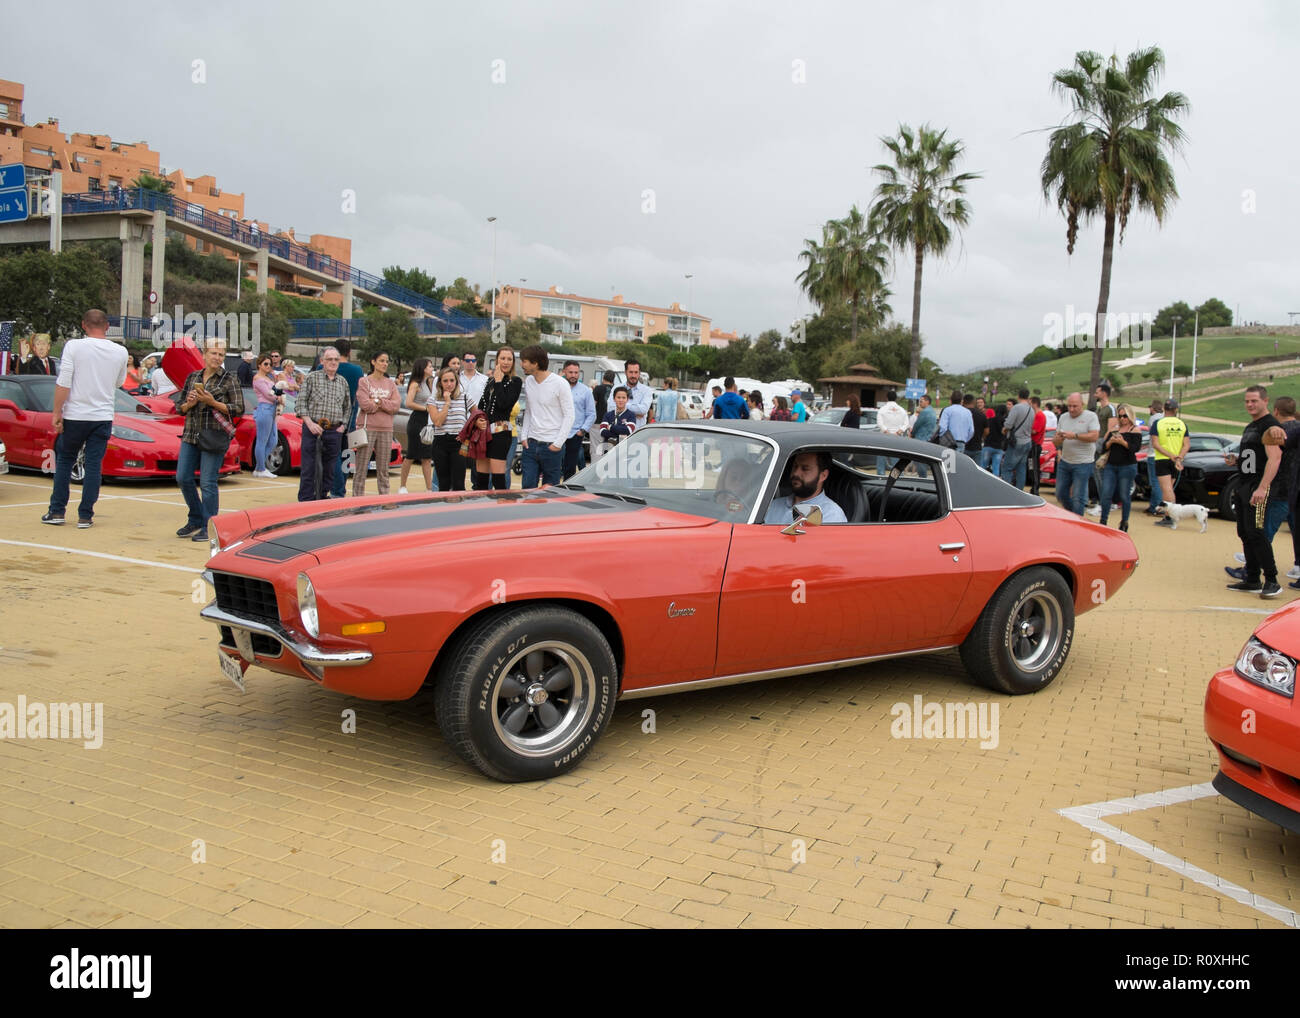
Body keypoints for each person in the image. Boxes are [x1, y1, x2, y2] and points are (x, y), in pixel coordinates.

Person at [42, 310, 128, 528]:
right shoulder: (120, 351)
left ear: (84, 325)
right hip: (102, 415)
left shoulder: (74, 346)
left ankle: (57, 511)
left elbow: (64, 382)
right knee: (93, 464)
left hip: (76, 414)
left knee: (65, 460)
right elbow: (119, 383)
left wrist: (56, 412)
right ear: (107, 326)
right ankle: (86, 515)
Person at [174, 338, 244, 541]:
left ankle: (209, 526)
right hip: (191, 433)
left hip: (214, 435)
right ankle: (195, 518)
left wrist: (212, 402)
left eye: (221, 354)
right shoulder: (193, 377)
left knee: (207, 482)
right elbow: (180, 408)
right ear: (204, 354)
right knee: (183, 477)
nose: (217, 358)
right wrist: (189, 403)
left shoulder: (229, 379)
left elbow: (238, 409)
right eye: (214, 353)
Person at [1225, 386, 1284, 598]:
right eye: (1247, 401)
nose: (1250, 405)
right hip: (1244, 483)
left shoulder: (1270, 426)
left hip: (1258, 486)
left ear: (1265, 401)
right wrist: (1237, 461)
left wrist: (1262, 487)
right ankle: (1251, 578)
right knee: (1244, 531)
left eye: (1254, 401)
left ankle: (1272, 580)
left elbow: (1275, 458)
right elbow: (1254, 457)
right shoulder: (1251, 426)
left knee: (1257, 532)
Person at [296, 346, 351, 502]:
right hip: (313, 428)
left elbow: (348, 406)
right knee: (309, 467)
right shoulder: (312, 378)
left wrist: (343, 426)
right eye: (329, 359)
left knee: (329, 469)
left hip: (334, 431)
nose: (333, 362)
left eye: (336, 359)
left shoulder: (342, 382)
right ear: (322, 361)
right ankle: (306, 501)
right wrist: (309, 423)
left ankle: (322, 498)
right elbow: (300, 403)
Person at [518, 345, 573, 489]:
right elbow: (529, 410)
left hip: (551, 446)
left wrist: (558, 443)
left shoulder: (560, 383)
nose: (521, 365)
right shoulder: (529, 381)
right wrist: (524, 436)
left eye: (524, 361)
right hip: (531, 444)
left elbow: (569, 415)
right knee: (527, 489)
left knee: (550, 492)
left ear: (535, 363)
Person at [352, 351, 401, 496]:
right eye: (381, 361)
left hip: (386, 429)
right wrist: (382, 404)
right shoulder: (364, 381)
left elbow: (395, 406)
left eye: (387, 361)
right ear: (373, 362)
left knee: (383, 469)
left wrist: (378, 401)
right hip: (367, 428)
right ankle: (357, 499)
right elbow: (365, 405)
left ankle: (384, 498)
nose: (385, 364)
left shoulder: (390, 383)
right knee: (361, 467)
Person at [474, 345, 522, 490]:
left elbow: (504, 404)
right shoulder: (490, 381)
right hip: (484, 432)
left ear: (513, 362)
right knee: (481, 479)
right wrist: (478, 420)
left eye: (509, 359)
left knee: (498, 478)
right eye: (503, 358)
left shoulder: (516, 381)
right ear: (497, 360)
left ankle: (501, 508)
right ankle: (481, 508)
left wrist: (500, 382)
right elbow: (481, 406)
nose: (506, 362)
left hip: (501, 433)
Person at [325, 340, 365, 497]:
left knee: (332, 455)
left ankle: (337, 490)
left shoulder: (325, 367)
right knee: (347, 454)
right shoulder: (357, 370)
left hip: (330, 416)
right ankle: (340, 487)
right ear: (349, 352)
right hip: (351, 416)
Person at [764, 451, 847, 524]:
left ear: (823, 476)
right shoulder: (773, 505)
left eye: (805, 469)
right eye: (795, 466)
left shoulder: (831, 514)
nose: (796, 473)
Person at [1053, 393, 1100, 515]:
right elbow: (1055, 441)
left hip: (1083, 463)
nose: (1071, 409)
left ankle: (1077, 521)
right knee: (1060, 494)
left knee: (1078, 497)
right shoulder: (1063, 417)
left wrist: (1075, 436)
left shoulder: (1091, 416)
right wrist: (1059, 440)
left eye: (1075, 406)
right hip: (1065, 461)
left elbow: (1094, 436)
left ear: (1082, 405)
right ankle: (1072, 515)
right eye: (1069, 406)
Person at [1098, 403, 1142, 531]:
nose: (1122, 419)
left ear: (1130, 416)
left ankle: (1124, 521)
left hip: (1127, 466)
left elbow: (1135, 448)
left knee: (1124, 495)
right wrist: (1111, 441)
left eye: (1125, 416)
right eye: (1120, 416)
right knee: (1106, 493)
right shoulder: (1114, 429)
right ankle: (1103, 520)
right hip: (1111, 465)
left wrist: (1123, 442)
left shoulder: (1135, 430)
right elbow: (1103, 447)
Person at [428, 365, 469, 492]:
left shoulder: (465, 397)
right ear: (440, 383)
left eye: (452, 380)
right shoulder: (433, 399)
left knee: (459, 483)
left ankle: (460, 509)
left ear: (457, 382)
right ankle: (444, 509)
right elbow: (438, 421)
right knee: (444, 483)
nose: (449, 384)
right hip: (440, 442)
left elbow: (477, 415)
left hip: (460, 443)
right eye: (445, 381)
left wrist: (469, 432)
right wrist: (447, 403)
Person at [1150, 398, 1189, 527]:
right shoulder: (1182, 424)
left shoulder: (1158, 423)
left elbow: (1155, 444)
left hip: (1162, 459)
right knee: (1169, 490)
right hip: (1176, 460)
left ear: (1164, 409)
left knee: (1166, 490)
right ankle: (1168, 516)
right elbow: (1186, 445)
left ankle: (1171, 516)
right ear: (1176, 409)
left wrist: (1171, 456)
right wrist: (1179, 457)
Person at [400, 358, 435, 494]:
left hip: (428, 421)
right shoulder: (415, 384)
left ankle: (429, 488)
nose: (432, 369)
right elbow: (408, 403)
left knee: (427, 456)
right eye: (430, 366)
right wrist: (425, 408)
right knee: (411, 454)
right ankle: (402, 485)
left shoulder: (429, 383)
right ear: (423, 368)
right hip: (417, 420)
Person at [563, 361, 597, 478]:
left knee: (570, 467)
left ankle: (566, 494)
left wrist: (582, 431)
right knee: (554, 467)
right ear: (564, 372)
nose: (573, 375)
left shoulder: (586, 391)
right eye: (570, 372)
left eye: (576, 372)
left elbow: (592, 414)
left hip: (574, 434)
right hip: (557, 433)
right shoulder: (558, 387)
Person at [250, 353, 281, 478]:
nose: (268, 366)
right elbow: (269, 395)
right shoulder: (258, 378)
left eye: (270, 364)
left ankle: (259, 467)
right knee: (262, 440)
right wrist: (279, 397)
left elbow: (277, 390)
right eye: (265, 364)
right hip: (265, 408)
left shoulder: (269, 377)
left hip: (271, 409)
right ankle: (261, 468)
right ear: (259, 365)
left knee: (273, 440)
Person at [1000, 389, 1035, 490]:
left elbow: (1008, 424)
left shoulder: (1016, 408)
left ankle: (1007, 491)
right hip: (1027, 441)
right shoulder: (1031, 409)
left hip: (1016, 442)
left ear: (1018, 396)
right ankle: (1020, 491)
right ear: (1028, 397)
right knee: (1021, 468)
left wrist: (1004, 429)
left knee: (1007, 468)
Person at [875, 390, 908, 474]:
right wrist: (899, 432)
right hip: (897, 437)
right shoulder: (902, 410)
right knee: (896, 459)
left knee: (881, 458)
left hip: (884, 437)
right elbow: (906, 423)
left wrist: (887, 432)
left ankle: (880, 476)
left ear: (886, 398)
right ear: (896, 398)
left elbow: (879, 423)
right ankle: (898, 477)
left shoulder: (882, 409)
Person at [1143, 398, 1165, 515]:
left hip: (1153, 453)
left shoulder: (1153, 419)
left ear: (1153, 408)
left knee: (1154, 482)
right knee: (1162, 482)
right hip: (1164, 454)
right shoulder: (1165, 418)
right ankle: (1154, 505)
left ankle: (1156, 507)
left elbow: (1151, 436)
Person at [622, 359, 652, 429]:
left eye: (636, 372)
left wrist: (621, 406)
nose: (633, 375)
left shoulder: (647, 391)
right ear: (625, 372)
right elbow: (611, 408)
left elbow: (643, 410)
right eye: (631, 372)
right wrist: (636, 413)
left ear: (639, 373)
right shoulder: (616, 388)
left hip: (638, 435)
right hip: (619, 433)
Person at [981, 399, 1005, 477]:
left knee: (983, 467)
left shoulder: (990, 420)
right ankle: (995, 484)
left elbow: (985, 431)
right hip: (999, 447)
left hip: (988, 445)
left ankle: (981, 483)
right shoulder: (1004, 421)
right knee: (996, 467)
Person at [1028, 396, 1047, 495]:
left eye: (1030, 403)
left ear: (1034, 403)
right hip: (1033, 445)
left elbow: (1035, 430)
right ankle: (1033, 487)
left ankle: (1035, 488)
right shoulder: (1036, 415)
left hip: (1035, 445)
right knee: (1031, 467)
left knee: (1034, 467)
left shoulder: (1040, 415)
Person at [962, 393, 986, 462]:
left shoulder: (962, 414)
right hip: (977, 446)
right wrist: (981, 437)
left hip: (964, 446)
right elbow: (986, 431)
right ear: (974, 402)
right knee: (977, 469)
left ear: (963, 402)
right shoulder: (981, 415)